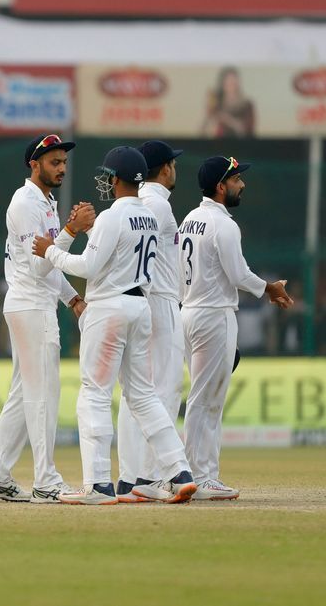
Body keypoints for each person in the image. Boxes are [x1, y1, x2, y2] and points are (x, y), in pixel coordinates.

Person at [33, 146, 196, 505]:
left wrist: (50, 250)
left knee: (94, 394)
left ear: (117, 179)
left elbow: (88, 268)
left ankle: (98, 486)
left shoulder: (112, 216)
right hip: (140, 307)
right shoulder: (149, 216)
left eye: (109, 175)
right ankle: (179, 471)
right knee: (143, 395)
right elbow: (115, 255)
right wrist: (92, 231)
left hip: (108, 309)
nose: (105, 181)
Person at [0, 134, 95, 504]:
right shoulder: (26, 201)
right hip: (30, 305)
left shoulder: (44, 202)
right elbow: (37, 264)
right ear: (35, 164)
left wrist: (72, 298)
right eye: (54, 162)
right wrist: (71, 232)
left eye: (63, 163)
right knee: (44, 393)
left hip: (33, 303)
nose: (61, 168)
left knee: (23, 394)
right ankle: (46, 480)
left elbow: (49, 262)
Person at [178, 156, 293, 501]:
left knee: (202, 397)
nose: (242, 184)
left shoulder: (190, 218)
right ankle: (202, 476)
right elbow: (239, 274)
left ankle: (192, 473)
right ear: (220, 186)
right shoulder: (223, 225)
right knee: (208, 400)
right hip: (214, 315)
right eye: (236, 179)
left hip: (189, 313)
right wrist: (270, 288)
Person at [115, 140, 186, 503]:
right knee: (163, 389)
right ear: (166, 168)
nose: (176, 169)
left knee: (139, 392)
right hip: (157, 301)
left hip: (150, 299)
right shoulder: (156, 202)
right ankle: (149, 476)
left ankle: (132, 477)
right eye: (173, 163)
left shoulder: (146, 201)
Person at [201, 67, 255, 138]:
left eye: (233, 81)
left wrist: (227, 119)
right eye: (228, 81)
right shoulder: (216, 105)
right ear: (222, 83)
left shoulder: (247, 105)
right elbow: (204, 130)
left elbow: (247, 130)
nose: (231, 84)